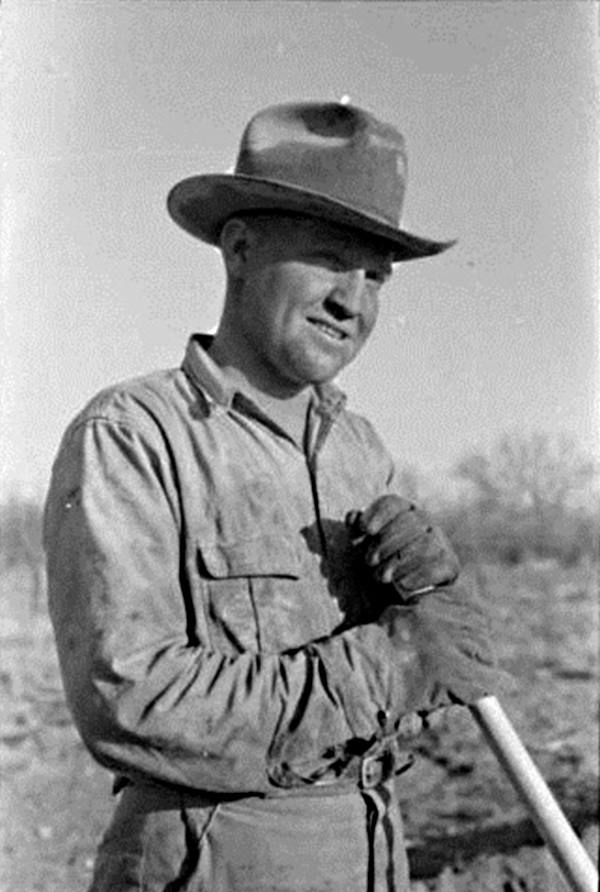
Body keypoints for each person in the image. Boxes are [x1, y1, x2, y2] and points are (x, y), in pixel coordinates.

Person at [44, 101, 501, 892]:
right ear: (242, 248)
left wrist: (435, 603)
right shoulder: (134, 436)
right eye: (329, 260)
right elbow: (131, 700)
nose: (351, 302)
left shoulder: (361, 451)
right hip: (212, 867)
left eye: (375, 279)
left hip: (370, 856)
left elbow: (422, 679)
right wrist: (388, 667)